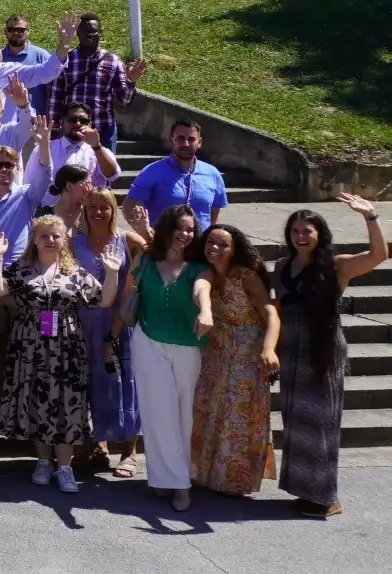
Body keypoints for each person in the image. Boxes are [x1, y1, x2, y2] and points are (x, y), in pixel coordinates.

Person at [0, 215, 123, 494]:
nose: (50, 240)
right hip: (29, 343)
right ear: (34, 240)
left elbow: (104, 300)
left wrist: (112, 272)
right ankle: (43, 462)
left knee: (67, 403)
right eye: (44, 236)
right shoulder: (21, 268)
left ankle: (65, 467)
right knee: (36, 400)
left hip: (67, 346)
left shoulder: (75, 271)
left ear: (64, 241)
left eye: (56, 236)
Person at [275, 195, 386, 517]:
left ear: (320, 233)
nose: (300, 236)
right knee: (296, 422)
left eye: (307, 230)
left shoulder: (337, 266)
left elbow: (379, 255)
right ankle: (303, 489)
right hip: (291, 352)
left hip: (322, 354)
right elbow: (277, 308)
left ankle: (326, 497)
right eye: (295, 230)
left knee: (320, 423)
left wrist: (371, 216)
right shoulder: (283, 266)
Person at [114, 206, 210, 510]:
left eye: (191, 230)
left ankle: (176, 478)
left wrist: (206, 309)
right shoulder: (143, 260)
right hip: (148, 340)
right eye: (181, 227)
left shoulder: (198, 265)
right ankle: (171, 482)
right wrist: (110, 338)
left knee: (182, 414)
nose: (186, 234)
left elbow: (202, 290)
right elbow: (126, 297)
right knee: (157, 413)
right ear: (168, 228)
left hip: (187, 344)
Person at [189, 223, 279, 499]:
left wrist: (269, 349)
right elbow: (200, 287)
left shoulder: (247, 276)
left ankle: (233, 480)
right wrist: (205, 309)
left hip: (246, 354)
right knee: (211, 409)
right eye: (210, 243)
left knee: (237, 416)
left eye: (222, 244)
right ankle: (205, 474)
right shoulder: (207, 272)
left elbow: (271, 315)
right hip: (217, 352)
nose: (214, 248)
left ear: (234, 249)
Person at [73, 188, 143, 474]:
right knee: (91, 384)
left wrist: (144, 229)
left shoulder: (127, 240)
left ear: (114, 210)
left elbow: (155, 257)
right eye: (93, 207)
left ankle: (130, 451)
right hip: (84, 322)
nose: (98, 212)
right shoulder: (74, 241)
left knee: (124, 382)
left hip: (120, 323)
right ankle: (98, 445)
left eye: (105, 207)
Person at [46, 13, 147, 152]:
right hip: (72, 130)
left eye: (94, 31)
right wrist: (53, 129)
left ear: (100, 33)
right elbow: (55, 97)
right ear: (77, 33)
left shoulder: (113, 61)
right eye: (86, 31)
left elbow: (124, 100)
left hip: (103, 130)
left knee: (104, 172)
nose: (91, 34)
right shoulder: (65, 60)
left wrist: (130, 80)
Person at [126, 119, 229, 230]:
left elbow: (214, 213)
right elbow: (129, 205)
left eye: (191, 139)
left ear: (199, 142)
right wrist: (146, 234)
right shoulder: (152, 171)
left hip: (199, 245)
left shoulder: (212, 174)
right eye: (180, 138)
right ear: (171, 140)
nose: (186, 143)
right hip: (163, 245)